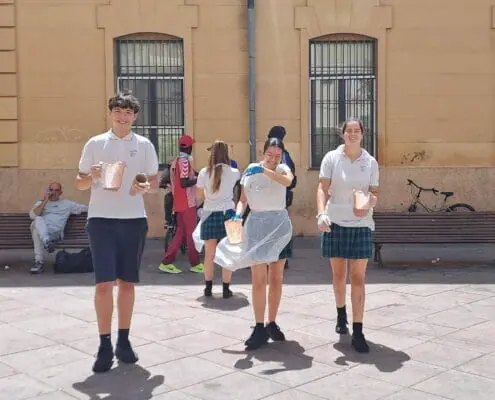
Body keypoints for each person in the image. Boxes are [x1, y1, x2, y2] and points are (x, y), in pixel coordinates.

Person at [75, 91, 159, 373]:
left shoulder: (144, 145)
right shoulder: (95, 143)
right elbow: (79, 183)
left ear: (135, 116)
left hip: (133, 220)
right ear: (110, 113)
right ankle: (104, 344)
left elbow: (153, 181)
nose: (123, 117)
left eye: (128, 113)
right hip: (101, 220)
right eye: (118, 112)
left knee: (127, 283)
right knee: (103, 284)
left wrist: (144, 186)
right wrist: (92, 176)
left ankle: (123, 340)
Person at [215, 137, 293, 350]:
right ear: (262, 152)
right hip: (256, 225)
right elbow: (243, 199)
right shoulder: (251, 170)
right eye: (269, 155)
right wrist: (237, 215)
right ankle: (259, 327)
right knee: (258, 278)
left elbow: (287, 181)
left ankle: (272, 322)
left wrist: (265, 171)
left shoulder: (283, 169)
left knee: (276, 278)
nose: (273, 159)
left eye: (277, 156)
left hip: (279, 225)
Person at [316, 118, 379, 353]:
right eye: (348, 130)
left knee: (358, 278)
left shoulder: (370, 162)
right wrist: (321, 213)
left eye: (356, 130)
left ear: (362, 134)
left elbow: (374, 193)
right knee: (339, 274)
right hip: (335, 222)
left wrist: (370, 202)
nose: (352, 134)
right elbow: (322, 188)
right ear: (342, 134)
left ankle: (359, 330)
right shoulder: (331, 158)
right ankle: (341, 313)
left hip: (361, 223)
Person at [195, 140, 241, 298]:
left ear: (212, 154)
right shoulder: (235, 172)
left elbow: (199, 196)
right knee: (228, 253)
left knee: (209, 255)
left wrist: (210, 198)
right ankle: (226, 289)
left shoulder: (203, 173)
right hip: (229, 214)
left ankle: (208, 288)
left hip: (209, 213)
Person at [158, 135, 204, 274]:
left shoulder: (175, 161)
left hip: (178, 202)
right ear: (189, 147)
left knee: (180, 234)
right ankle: (195, 263)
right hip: (187, 202)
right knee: (191, 234)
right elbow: (184, 183)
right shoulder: (184, 162)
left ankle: (166, 262)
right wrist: (198, 179)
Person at [28, 182, 88, 274]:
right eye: (51, 190)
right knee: (37, 221)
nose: (53, 192)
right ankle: (47, 242)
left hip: (55, 233)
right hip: (43, 233)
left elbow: (84, 208)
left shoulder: (67, 204)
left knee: (36, 229)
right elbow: (33, 216)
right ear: (48, 191)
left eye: (56, 190)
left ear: (60, 192)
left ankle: (39, 262)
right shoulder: (40, 204)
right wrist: (45, 201)